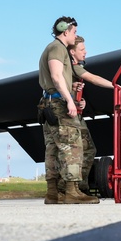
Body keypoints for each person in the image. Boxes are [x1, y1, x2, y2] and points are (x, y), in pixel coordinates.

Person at [37, 16, 97, 204]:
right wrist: (70, 100)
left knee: (53, 149)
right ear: (66, 31)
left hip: (48, 104)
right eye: (74, 32)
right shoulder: (57, 48)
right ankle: (72, 191)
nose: (75, 35)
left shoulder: (54, 48)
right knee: (72, 146)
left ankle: (53, 193)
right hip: (58, 105)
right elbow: (56, 76)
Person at [67, 34, 121, 195]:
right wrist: (117, 87)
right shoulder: (69, 67)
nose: (85, 52)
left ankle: (81, 186)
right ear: (72, 52)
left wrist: (80, 103)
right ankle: (72, 188)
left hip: (76, 114)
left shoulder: (75, 67)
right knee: (72, 152)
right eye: (82, 49)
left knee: (88, 150)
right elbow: (93, 78)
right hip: (66, 116)